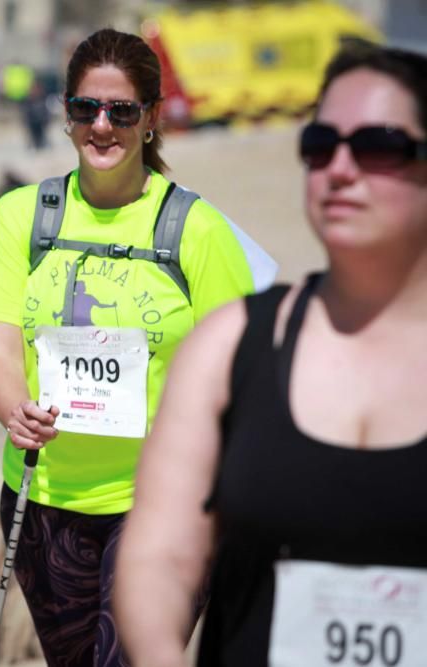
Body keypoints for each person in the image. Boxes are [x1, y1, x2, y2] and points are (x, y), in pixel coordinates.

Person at [114, 43, 427, 666]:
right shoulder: (231, 346)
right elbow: (161, 558)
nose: (340, 168)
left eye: (378, 146)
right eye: (319, 144)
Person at [0, 28, 276, 667]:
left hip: (162, 505)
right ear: (66, 114)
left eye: (121, 110)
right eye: (86, 109)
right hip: (42, 498)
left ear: (151, 119)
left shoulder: (195, 227)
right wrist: (12, 410)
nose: (101, 126)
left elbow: (238, 371)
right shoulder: (21, 217)